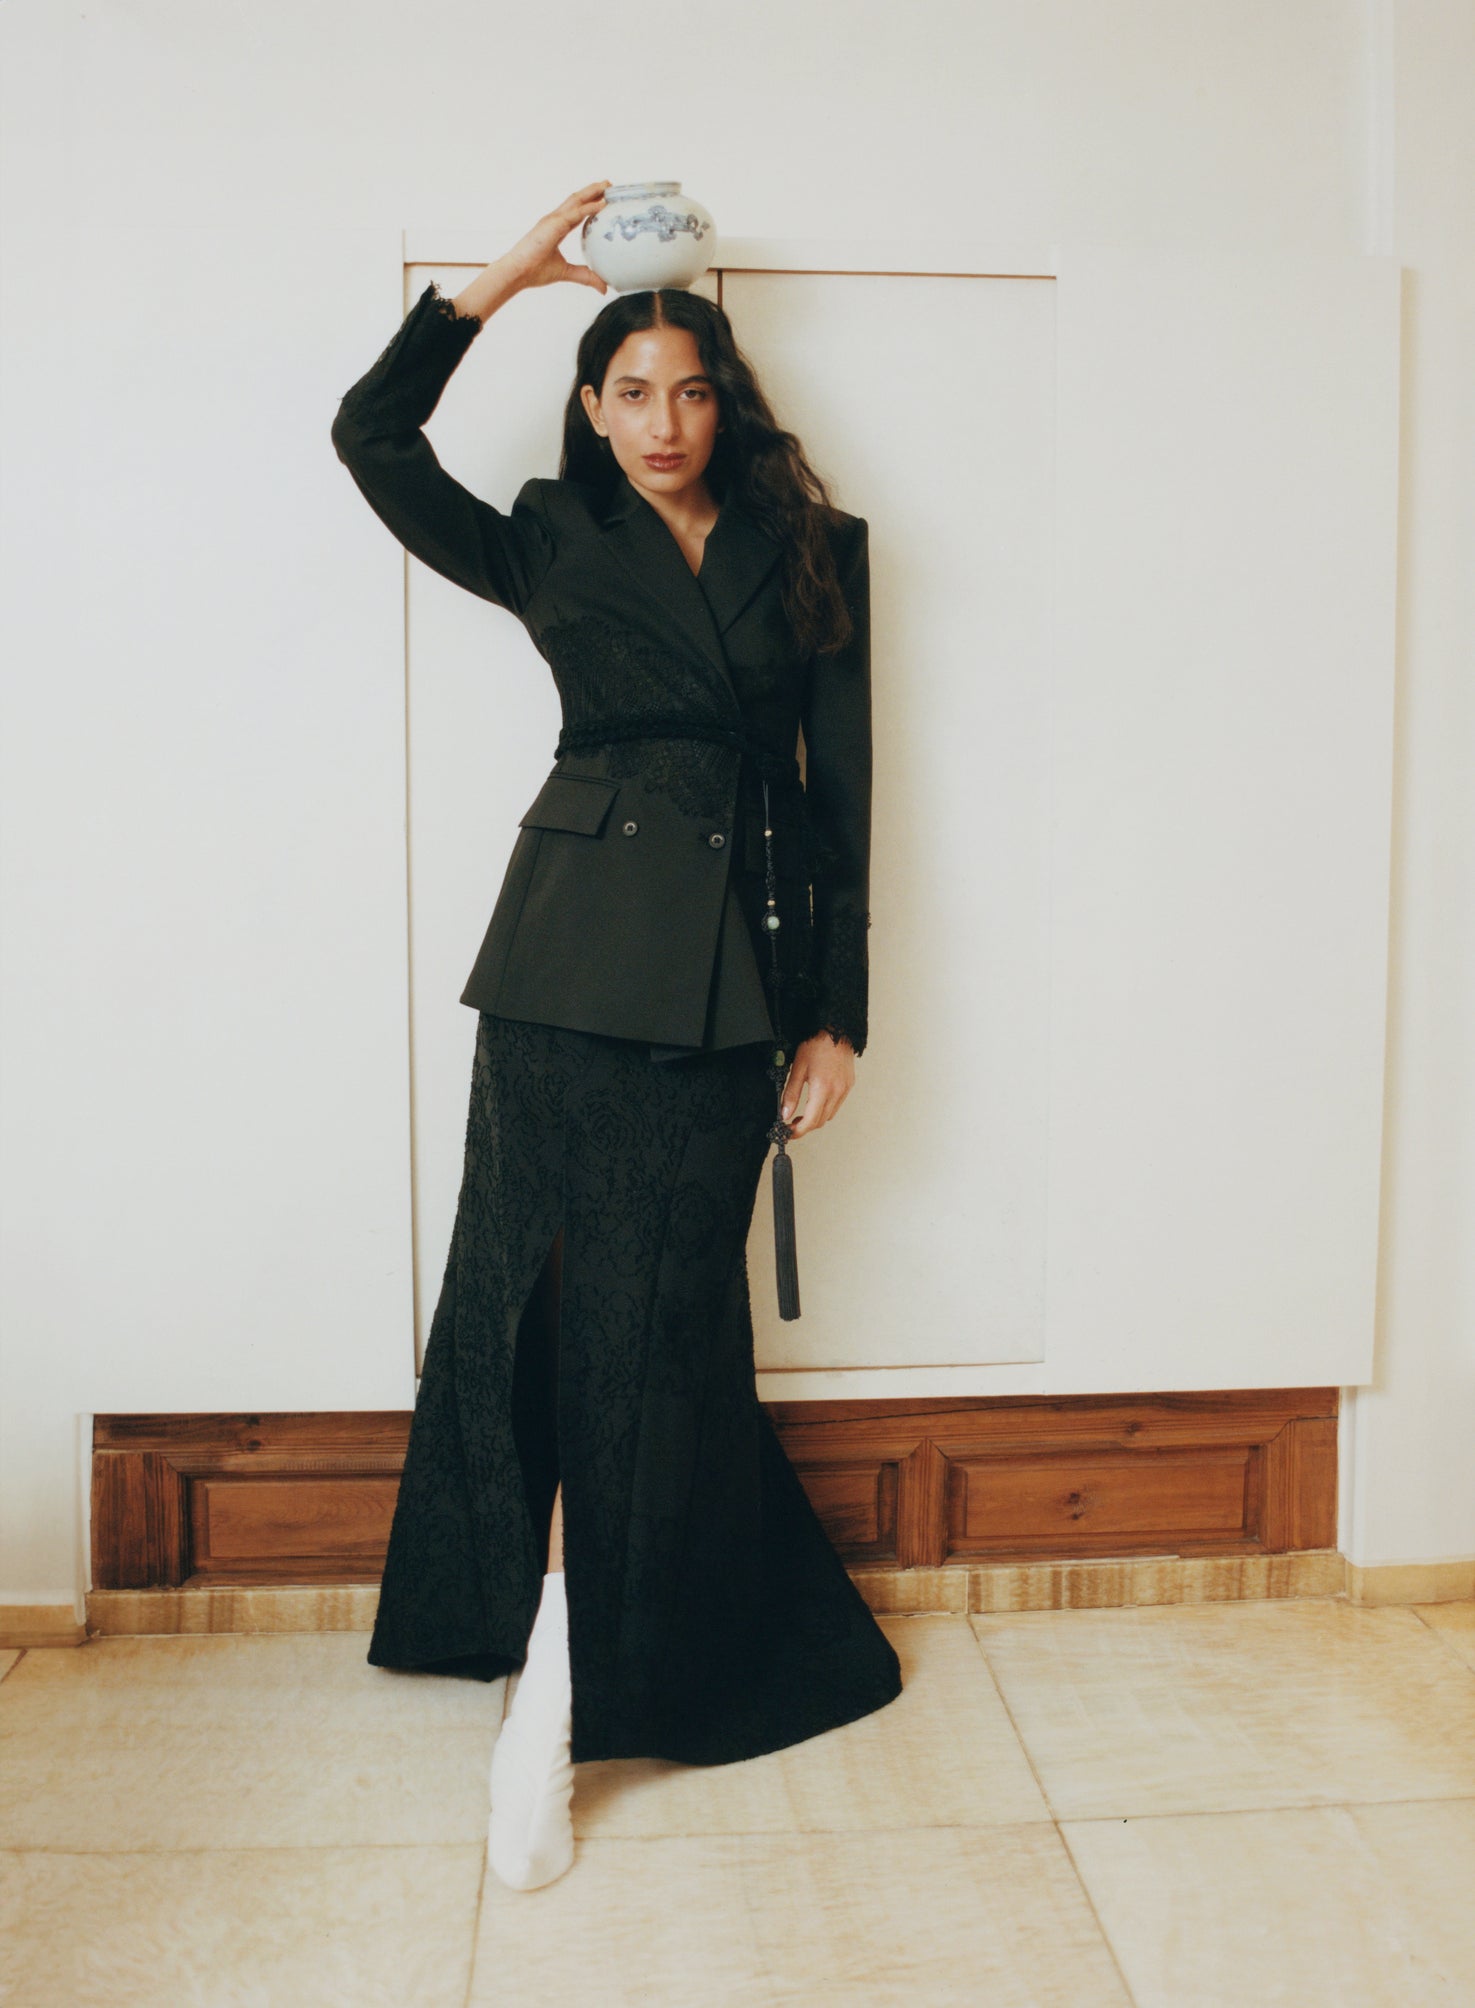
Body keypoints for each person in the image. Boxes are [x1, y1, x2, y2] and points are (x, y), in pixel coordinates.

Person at [331, 180, 902, 1892]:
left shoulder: (823, 550)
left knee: (661, 1329)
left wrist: (837, 1018)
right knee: (531, 1292)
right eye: (632, 392)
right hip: (565, 968)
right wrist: (501, 279)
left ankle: (576, 1673)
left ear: (729, 402)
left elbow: (842, 799)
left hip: (735, 978)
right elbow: (368, 437)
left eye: (691, 390)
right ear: (591, 407)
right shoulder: (548, 536)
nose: (663, 422)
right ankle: (535, 1645)